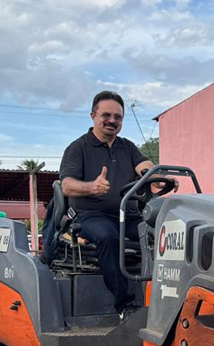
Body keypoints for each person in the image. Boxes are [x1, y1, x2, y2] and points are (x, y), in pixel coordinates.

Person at [59, 91, 161, 319]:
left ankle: (165, 296)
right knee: (108, 236)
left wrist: (157, 175)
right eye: (106, 115)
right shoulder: (78, 148)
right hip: (91, 215)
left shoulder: (127, 147)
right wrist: (91, 187)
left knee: (162, 230)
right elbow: (66, 185)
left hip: (128, 214)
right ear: (93, 115)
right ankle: (124, 303)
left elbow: (145, 166)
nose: (112, 121)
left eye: (118, 117)